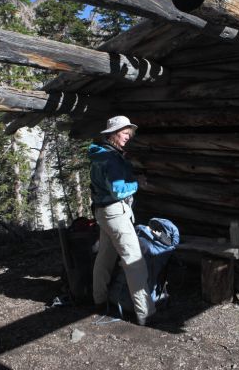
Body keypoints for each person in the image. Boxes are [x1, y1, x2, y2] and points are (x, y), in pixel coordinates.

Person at [88, 115, 155, 326]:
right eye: (125, 133)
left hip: (104, 213)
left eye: (129, 134)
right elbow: (118, 190)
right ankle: (146, 313)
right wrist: (137, 183)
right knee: (134, 261)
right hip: (115, 213)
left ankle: (98, 301)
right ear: (113, 134)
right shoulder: (111, 158)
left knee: (105, 257)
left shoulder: (100, 154)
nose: (128, 137)